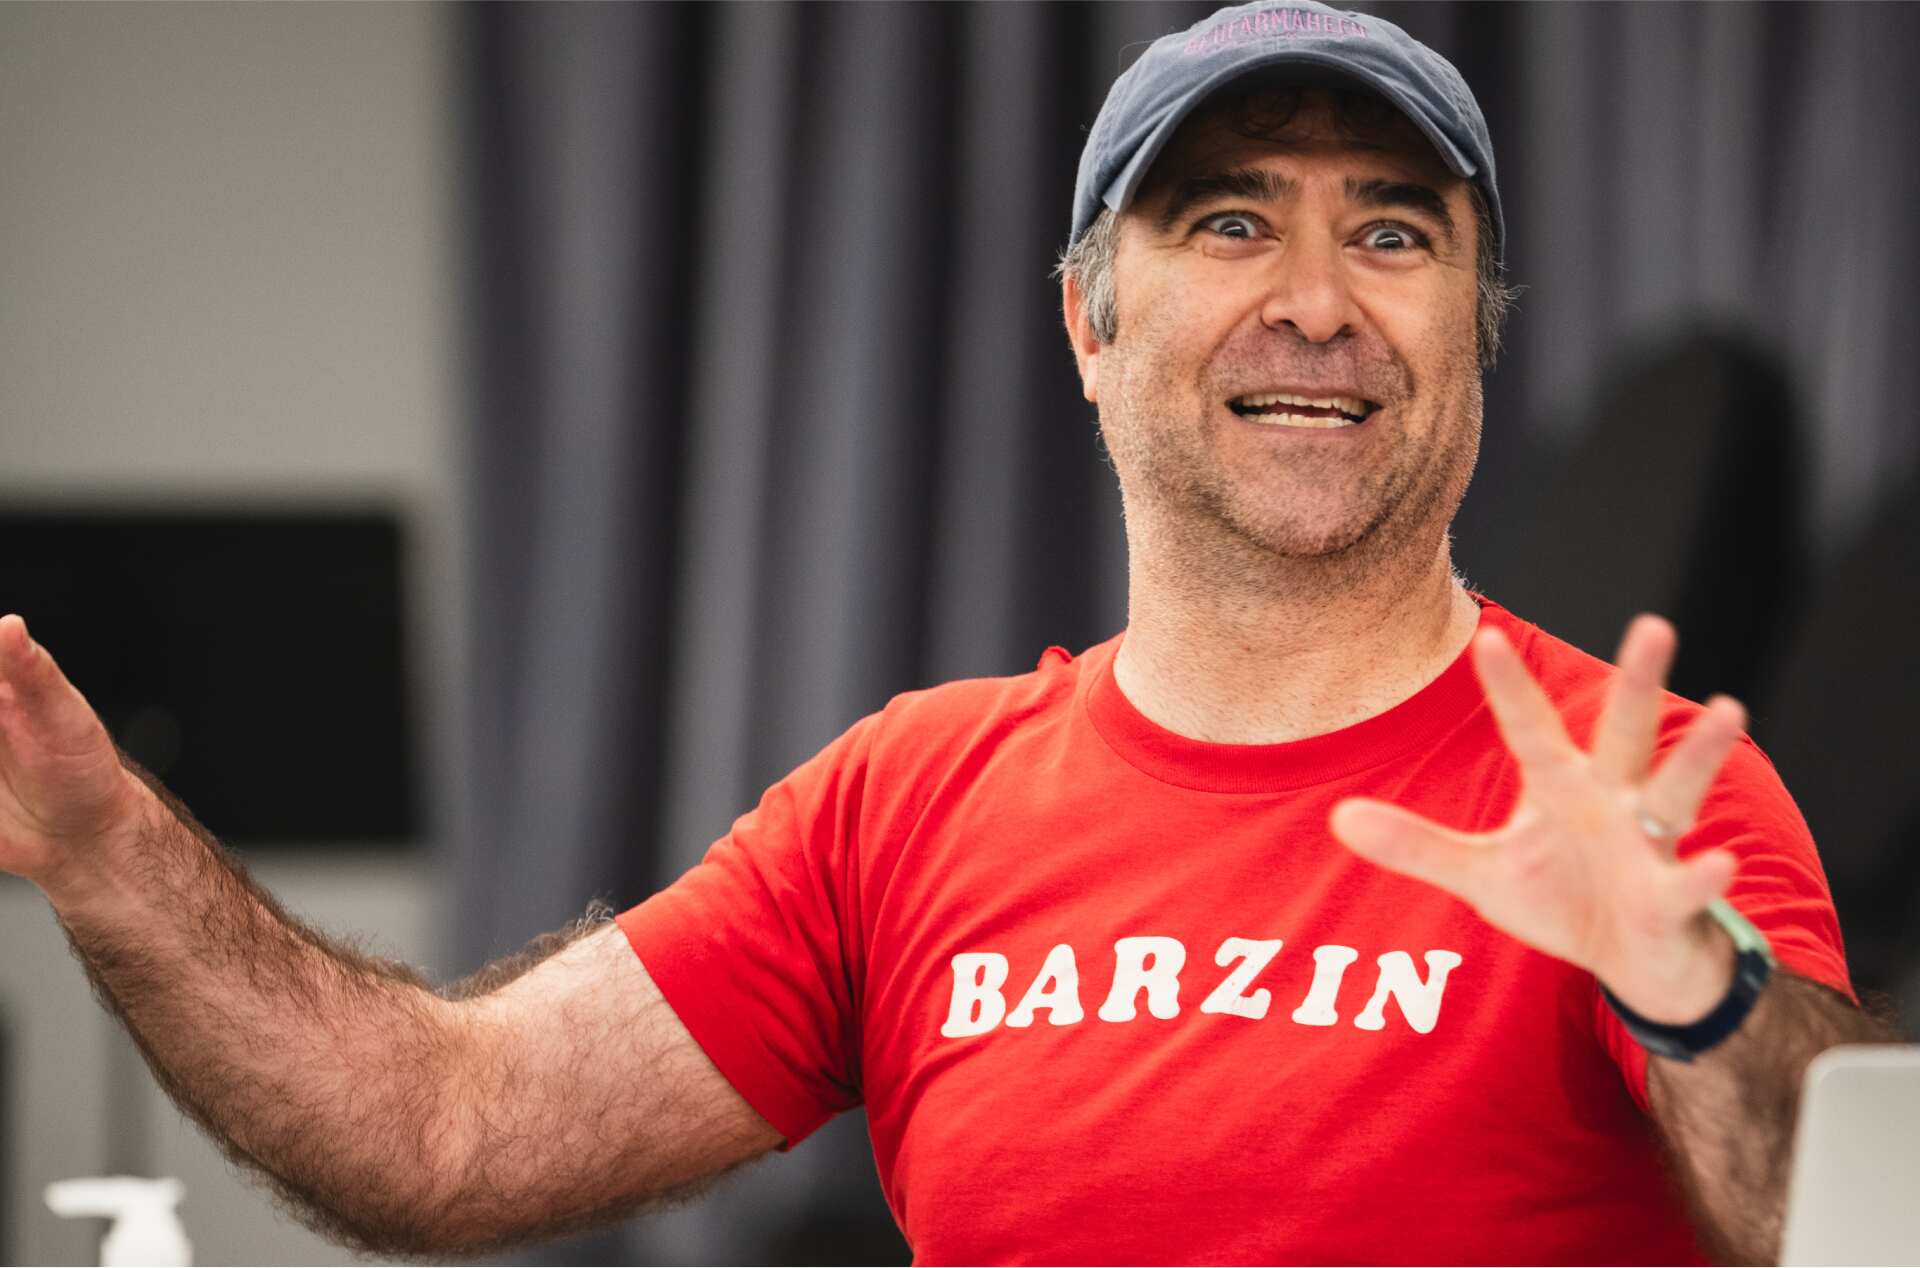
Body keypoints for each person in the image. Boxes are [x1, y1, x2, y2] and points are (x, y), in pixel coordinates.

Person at [0, 1, 1898, 1263]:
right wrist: (105, 852)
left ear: (1474, 336)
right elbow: (444, 1132)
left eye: (1396, 234)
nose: (1320, 298)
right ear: (1088, 325)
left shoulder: (1626, 803)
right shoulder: (912, 801)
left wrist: (1697, 987)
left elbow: (1861, 1230)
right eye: (1229, 224)